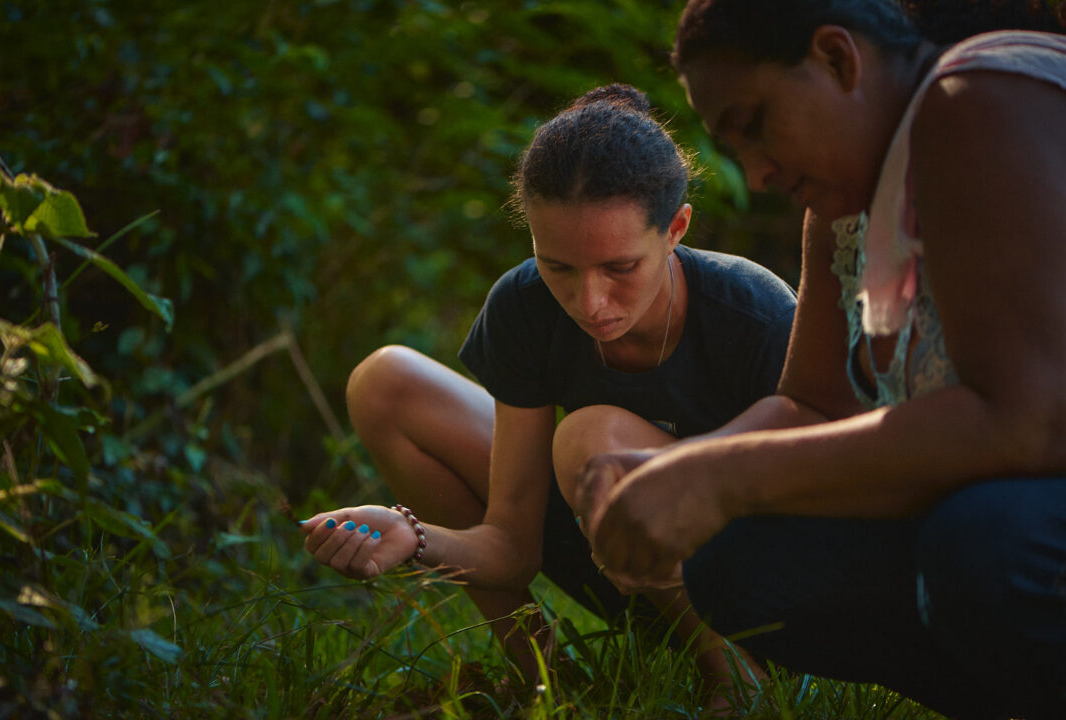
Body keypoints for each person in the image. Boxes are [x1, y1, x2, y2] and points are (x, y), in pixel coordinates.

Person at [564, 2, 1066, 718]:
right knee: (741, 562)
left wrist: (724, 477)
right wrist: (678, 473)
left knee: (989, 544)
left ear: (838, 59)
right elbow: (813, 403)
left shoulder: (973, 100)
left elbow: (1029, 422)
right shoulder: (845, 201)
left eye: (756, 124)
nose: (758, 173)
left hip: (1025, 507)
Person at [298, 83, 797, 693]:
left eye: (620, 268)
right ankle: (538, 676)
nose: (590, 303)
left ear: (675, 229)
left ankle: (734, 676)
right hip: (606, 561)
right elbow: (510, 545)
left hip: (760, 596)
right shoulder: (525, 306)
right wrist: (415, 537)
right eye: (557, 265)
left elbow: (821, 512)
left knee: (590, 438)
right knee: (386, 382)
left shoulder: (756, 312)